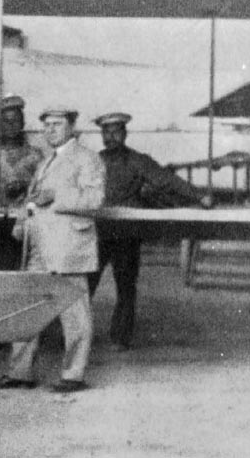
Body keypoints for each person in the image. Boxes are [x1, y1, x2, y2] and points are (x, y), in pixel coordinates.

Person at [0, 106, 105, 393]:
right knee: (27, 309)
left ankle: (73, 376)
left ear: (72, 128)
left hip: (68, 247)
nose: (50, 130)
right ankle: (20, 373)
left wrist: (56, 195)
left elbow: (94, 200)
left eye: (57, 124)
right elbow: (33, 199)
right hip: (40, 246)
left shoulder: (87, 158)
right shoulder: (46, 160)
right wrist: (21, 223)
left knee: (74, 315)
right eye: (47, 125)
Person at [88, 112, 212, 351]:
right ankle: (75, 335)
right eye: (106, 132)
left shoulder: (138, 161)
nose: (111, 136)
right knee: (85, 285)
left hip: (126, 233)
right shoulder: (92, 161)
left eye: (116, 131)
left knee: (125, 286)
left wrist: (199, 195)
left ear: (125, 133)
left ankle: (120, 338)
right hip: (97, 233)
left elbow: (167, 180)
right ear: (101, 135)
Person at [0, 94, 45, 269]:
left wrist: (25, 188)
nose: (11, 125)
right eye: (6, 121)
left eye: (16, 120)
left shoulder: (35, 154)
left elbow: (42, 187)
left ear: (23, 123)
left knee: (21, 266)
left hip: (22, 221)